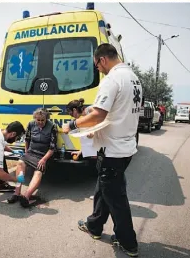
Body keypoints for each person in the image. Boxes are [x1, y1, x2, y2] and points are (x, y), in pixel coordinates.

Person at [62, 44, 142, 258]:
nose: (97, 69)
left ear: (102, 60)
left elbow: (98, 115)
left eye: (96, 65)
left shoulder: (112, 79)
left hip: (113, 149)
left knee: (116, 197)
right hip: (125, 147)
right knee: (104, 188)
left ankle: (128, 242)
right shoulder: (133, 78)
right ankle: (95, 225)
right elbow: (117, 111)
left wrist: (74, 124)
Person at [8, 108, 57, 208]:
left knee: (38, 172)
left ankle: (26, 196)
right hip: (31, 153)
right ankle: (17, 193)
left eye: (42, 120)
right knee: (20, 163)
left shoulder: (52, 127)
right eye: (38, 120)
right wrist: (26, 152)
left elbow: (52, 147)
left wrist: (44, 159)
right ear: (35, 118)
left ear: (46, 119)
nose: (40, 122)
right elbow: (27, 139)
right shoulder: (31, 124)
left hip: (43, 155)